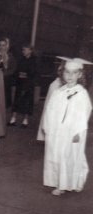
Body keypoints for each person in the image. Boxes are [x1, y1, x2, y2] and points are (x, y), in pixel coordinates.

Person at [39, 57, 92, 196]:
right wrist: (47, 126)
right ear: (62, 73)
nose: (70, 76)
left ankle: (70, 183)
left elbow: (84, 113)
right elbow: (49, 110)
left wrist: (77, 132)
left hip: (72, 132)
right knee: (57, 156)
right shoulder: (58, 92)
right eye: (67, 72)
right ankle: (60, 182)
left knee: (71, 156)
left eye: (74, 73)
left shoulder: (81, 93)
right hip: (56, 131)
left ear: (80, 74)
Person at [8, 44, 37, 127]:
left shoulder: (34, 60)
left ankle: (25, 121)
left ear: (30, 50)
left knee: (27, 102)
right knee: (16, 101)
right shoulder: (21, 60)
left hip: (29, 84)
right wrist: (19, 75)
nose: (23, 51)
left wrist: (25, 75)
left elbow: (34, 72)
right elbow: (17, 71)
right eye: (23, 50)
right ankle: (13, 119)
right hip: (20, 83)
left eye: (25, 49)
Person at [0, 38, 17, 109]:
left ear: (7, 46)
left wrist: (4, 73)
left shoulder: (11, 57)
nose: (2, 47)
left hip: (6, 80)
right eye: (0, 45)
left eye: (4, 45)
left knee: (4, 98)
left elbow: (13, 69)